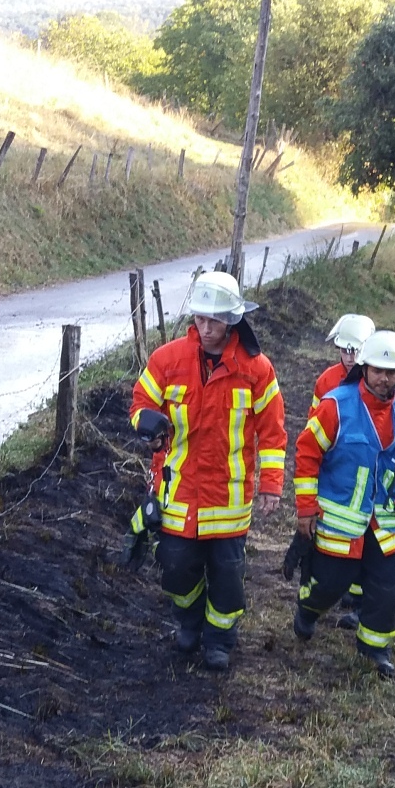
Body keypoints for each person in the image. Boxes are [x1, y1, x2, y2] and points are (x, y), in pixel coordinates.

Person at [128, 272, 288, 671]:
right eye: (200, 318)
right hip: (179, 491)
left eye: (214, 320)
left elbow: (272, 432)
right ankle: (189, 620)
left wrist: (271, 484)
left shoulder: (257, 369)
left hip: (229, 499)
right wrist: (146, 423)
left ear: (232, 319)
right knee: (175, 567)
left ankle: (220, 640)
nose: (206, 327)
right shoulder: (167, 360)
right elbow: (140, 402)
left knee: (228, 577)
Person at [292, 330, 395, 679]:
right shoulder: (335, 406)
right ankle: (308, 609)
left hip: (386, 523)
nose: (385, 379)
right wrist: (306, 508)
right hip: (340, 524)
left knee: (387, 591)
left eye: (392, 372)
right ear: (364, 369)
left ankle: (375, 648)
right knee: (327, 586)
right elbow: (307, 453)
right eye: (378, 370)